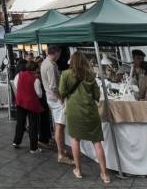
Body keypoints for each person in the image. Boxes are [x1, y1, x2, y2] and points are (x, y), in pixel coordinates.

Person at [59, 52, 110, 184]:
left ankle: (78, 170)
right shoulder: (91, 75)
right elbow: (96, 95)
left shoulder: (65, 74)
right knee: (97, 142)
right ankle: (105, 174)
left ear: (72, 61)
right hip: (90, 111)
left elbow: (62, 92)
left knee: (75, 140)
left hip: (74, 111)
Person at [40, 46, 74, 165]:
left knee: (58, 125)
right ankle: (61, 154)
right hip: (56, 100)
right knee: (60, 127)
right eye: (59, 54)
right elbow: (53, 87)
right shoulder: (50, 65)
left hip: (51, 99)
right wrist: (62, 100)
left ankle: (62, 150)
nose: (60, 56)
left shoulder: (45, 63)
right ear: (56, 53)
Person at [12, 62, 44, 153]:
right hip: (31, 104)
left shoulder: (19, 75)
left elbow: (16, 85)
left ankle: (16, 141)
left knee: (20, 122)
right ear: (35, 70)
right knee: (33, 125)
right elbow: (39, 94)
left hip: (20, 102)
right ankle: (33, 148)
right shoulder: (36, 80)